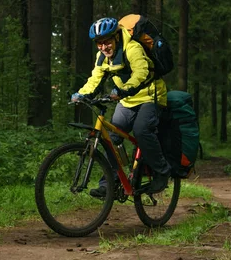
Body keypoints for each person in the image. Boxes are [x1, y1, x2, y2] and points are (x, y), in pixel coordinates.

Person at [71, 17, 171, 196]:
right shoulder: (102, 57)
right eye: (99, 43)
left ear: (116, 37)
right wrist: (81, 94)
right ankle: (110, 182)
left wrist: (123, 90)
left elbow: (141, 72)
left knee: (142, 131)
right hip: (126, 101)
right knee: (113, 138)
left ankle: (162, 172)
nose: (103, 47)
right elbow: (95, 78)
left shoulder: (132, 48)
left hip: (150, 96)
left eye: (107, 42)